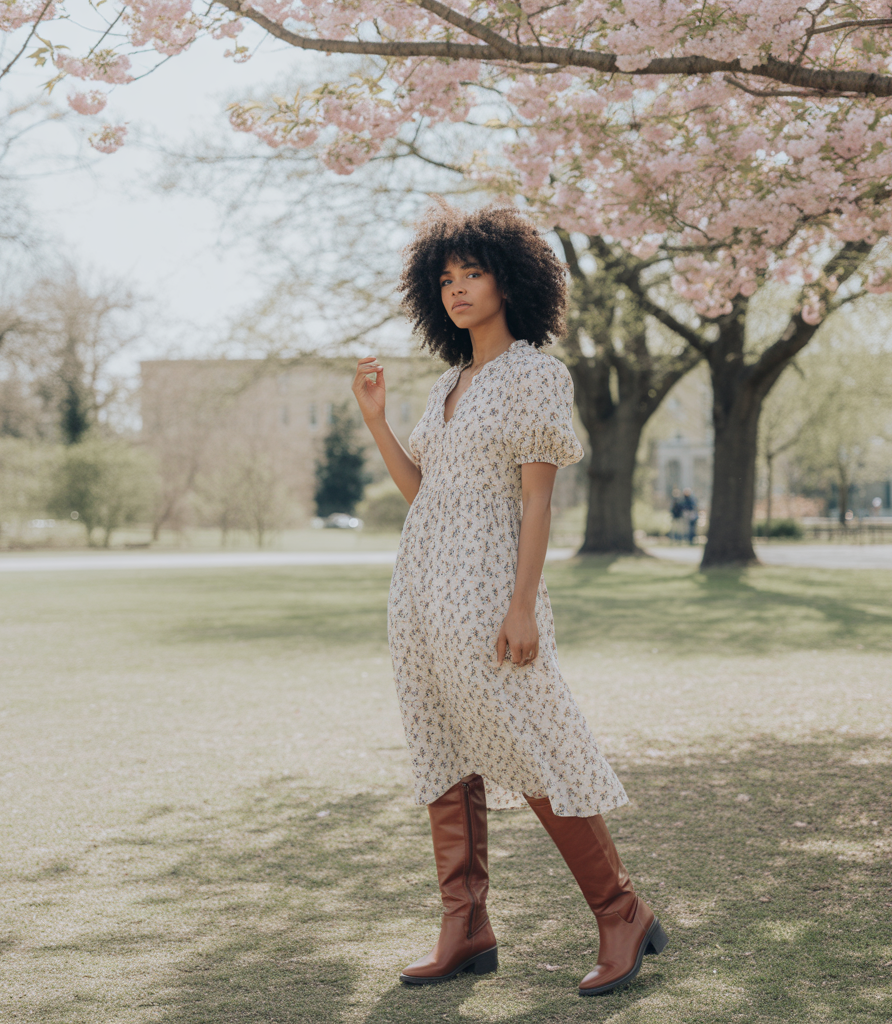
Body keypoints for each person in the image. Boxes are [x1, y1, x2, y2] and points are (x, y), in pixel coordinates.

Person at [351, 202, 665, 997]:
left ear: (510, 280)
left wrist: (522, 604)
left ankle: (620, 909)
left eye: (473, 273)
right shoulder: (449, 383)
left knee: (530, 742)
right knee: (440, 748)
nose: (457, 289)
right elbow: (424, 492)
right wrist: (379, 423)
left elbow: (537, 501)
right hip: (420, 591)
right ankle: (466, 927)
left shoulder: (533, 373)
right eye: (445, 278)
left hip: (490, 591)